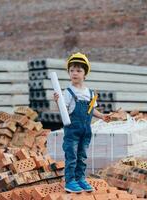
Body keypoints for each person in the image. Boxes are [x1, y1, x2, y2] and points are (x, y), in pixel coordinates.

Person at [53, 52, 110, 193]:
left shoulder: (90, 93)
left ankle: (80, 179)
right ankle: (70, 181)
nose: (75, 73)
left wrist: (102, 116)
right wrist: (57, 101)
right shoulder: (67, 92)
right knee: (71, 156)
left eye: (79, 70)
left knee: (82, 156)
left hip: (86, 131)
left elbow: (92, 110)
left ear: (85, 74)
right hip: (72, 130)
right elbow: (63, 110)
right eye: (72, 70)